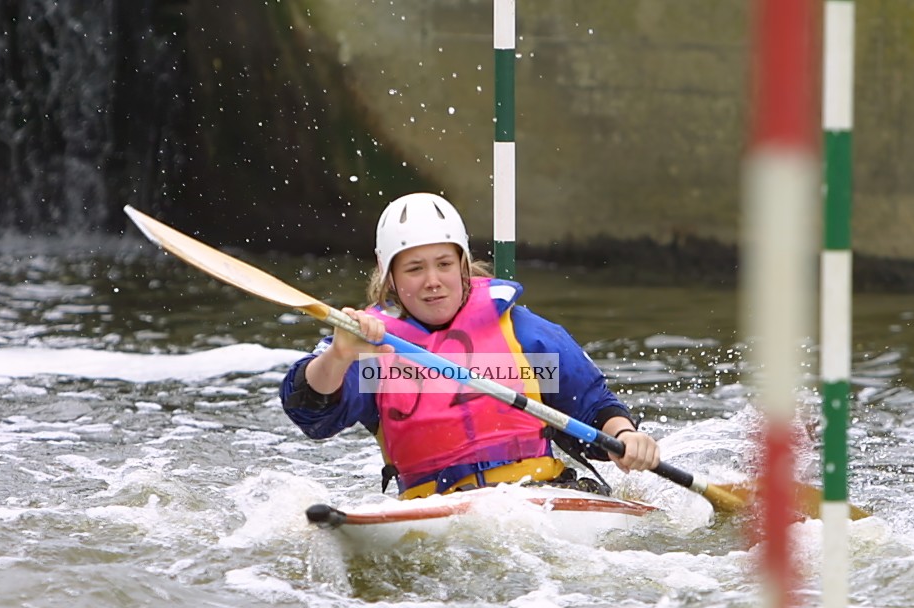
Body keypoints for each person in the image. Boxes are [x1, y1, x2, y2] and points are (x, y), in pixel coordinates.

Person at [280, 192, 660, 499]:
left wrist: (624, 436)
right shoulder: (368, 349)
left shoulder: (523, 334)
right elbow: (313, 416)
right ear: (390, 278)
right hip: (434, 508)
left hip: (536, 500)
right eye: (414, 269)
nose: (433, 281)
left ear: (463, 265)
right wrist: (338, 356)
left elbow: (593, 407)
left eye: (444, 264)